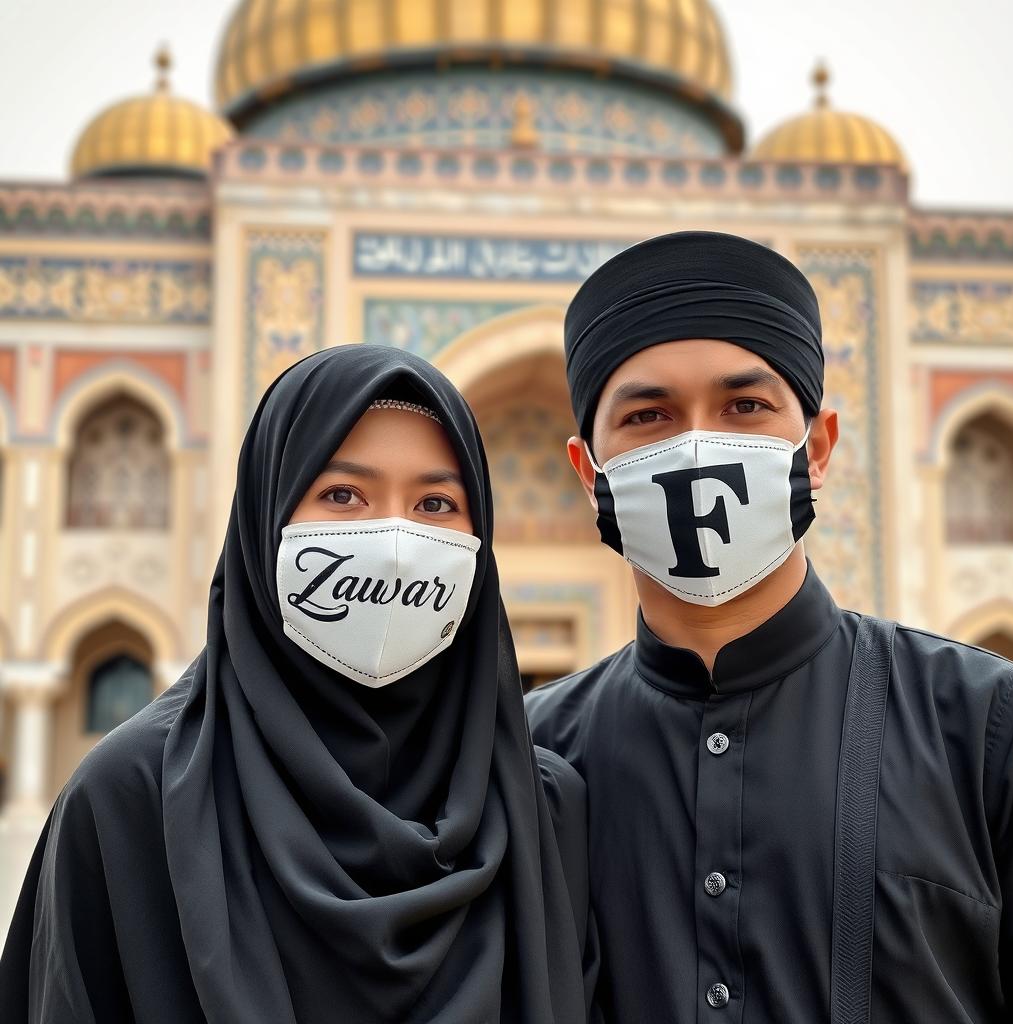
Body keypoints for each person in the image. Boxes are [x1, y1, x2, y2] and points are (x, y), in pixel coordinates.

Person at [0, 344, 597, 1023]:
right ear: (266, 515)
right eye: (342, 494)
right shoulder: (134, 801)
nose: (395, 541)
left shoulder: (541, 809)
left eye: (435, 502)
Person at [526, 230, 1013, 1023]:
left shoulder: (984, 728)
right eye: (649, 415)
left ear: (817, 448)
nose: (696, 445)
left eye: (744, 406)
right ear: (592, 474)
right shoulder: (527, 761)